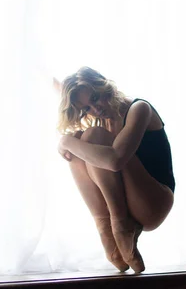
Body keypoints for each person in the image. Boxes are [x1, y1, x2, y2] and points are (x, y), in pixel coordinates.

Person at [55, 66, 175, 273]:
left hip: (155, 201)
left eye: (95, 98)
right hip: (130, 202)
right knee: (80, 147)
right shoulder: (102, 119)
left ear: (103, 84)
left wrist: (65, 141)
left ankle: (120, 225)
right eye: (86, 109)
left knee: (91, 138)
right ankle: (106, 228)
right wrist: (71, 143)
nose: (95, 109)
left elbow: (116, 161)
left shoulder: (139, 109)